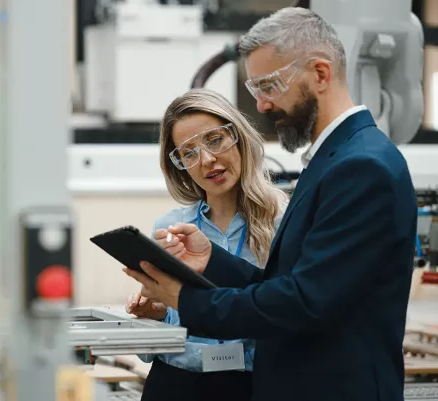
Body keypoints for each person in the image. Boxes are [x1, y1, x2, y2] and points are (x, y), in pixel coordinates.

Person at [123, 7, 417, 401]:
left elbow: (305, 302)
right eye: (254, 90)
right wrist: (212, 260)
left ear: (320, 74)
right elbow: (289, 286)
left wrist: (186, 299)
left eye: (270, 85)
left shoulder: (361, 165)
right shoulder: (334, 158)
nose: (261, 105)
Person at [125, 88, 287, 401]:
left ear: (238, 136)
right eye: (188, 152)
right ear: (179, 165)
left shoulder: (283, 223)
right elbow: (155, 349)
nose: (207, 160)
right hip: (173, 386)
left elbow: (289, 318)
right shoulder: (170, 229)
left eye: (214, 140)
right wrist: (155, 315)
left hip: (249, 387)